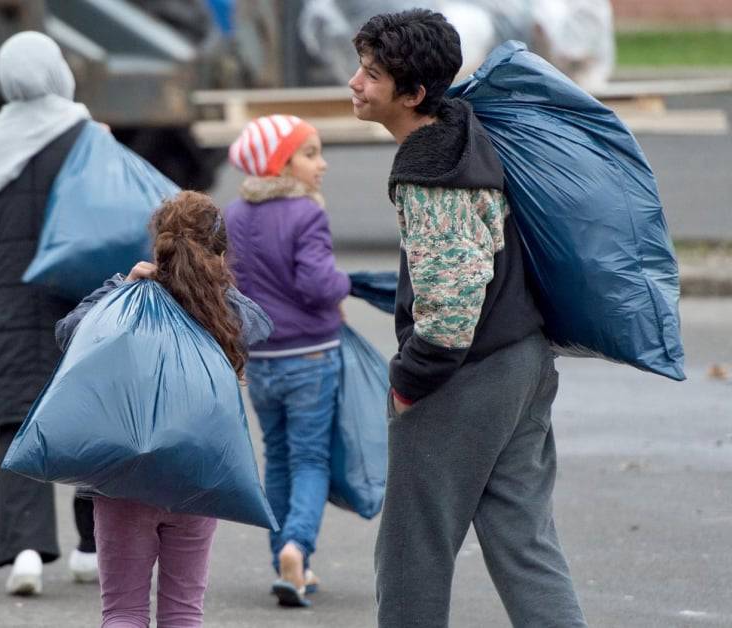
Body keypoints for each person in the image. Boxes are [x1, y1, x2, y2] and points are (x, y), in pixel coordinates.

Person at [348, 10, 588, 628]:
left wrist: (407, 382)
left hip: (467, 377)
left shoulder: (432, 172)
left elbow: (452, 303)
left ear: (413, 94)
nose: (355, 83)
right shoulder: (467, 129)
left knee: (412, 555)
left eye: (371, 75)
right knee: (525, 543)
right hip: (527, 358)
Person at [55, 191, 274, 628]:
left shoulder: (130, 297)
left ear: (158, 246)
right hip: (198, 476)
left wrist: (121, 289)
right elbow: (260, 325)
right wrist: (214, 288)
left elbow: (68, 333)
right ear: (222, 252)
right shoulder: (222, 308)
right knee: (183, 613)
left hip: (123, 475)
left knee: (123, 611)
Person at [0, 31, 97, 595]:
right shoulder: (84, 136)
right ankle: (91, 548)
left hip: (4, 303)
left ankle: (27, 554)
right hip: (76, 303)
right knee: (90, 424)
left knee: (18, 426)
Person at [222, 114, 351, 607]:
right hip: (311, 357)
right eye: (311, 154)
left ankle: (286, 564)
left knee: (277, 457)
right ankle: (298, 545)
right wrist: (345, 285)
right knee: (311, 457)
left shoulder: (234, 214)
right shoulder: (306, 213)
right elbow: (319, 284)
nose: (322, 164)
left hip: (262, 358)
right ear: (281, 164)